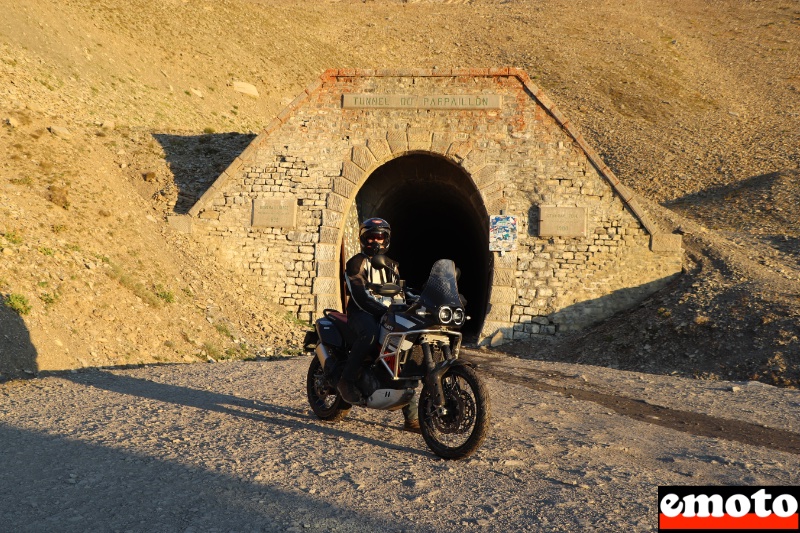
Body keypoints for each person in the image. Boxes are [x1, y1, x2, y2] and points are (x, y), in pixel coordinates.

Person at [337, 217, 420, 432]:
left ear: (387, 239)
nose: (376, 241)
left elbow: (401, 291)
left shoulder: (392, 265)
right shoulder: (356, 262)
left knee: (406, 348)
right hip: (362, 314)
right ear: (364, 239)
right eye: (372, 237)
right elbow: (358, 294)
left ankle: (412, 418)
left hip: (387, 314)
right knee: (371, 336)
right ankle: (346, 381)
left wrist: (415, 303)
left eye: (381, 237)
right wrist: (383, 311)